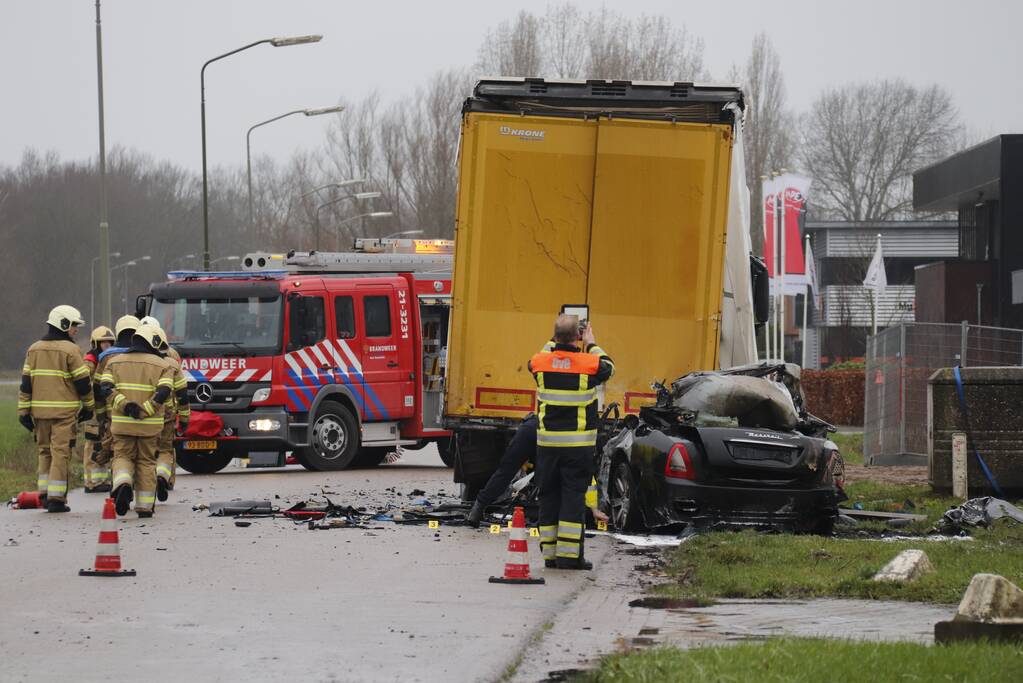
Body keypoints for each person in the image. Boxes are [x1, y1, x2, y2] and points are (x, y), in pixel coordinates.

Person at [528, 314, 614, 570]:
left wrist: (554, 339)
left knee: (549, 497)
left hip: (547, 447)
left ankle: (551, 555)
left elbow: (536, 358)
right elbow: (609, 366)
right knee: (573, 499)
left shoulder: (541, 363)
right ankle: (570, 557)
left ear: (554, 338)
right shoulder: (589, 364)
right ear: (578, 336)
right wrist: (591, 342)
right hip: (577, 448)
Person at [464, 414, 610, 529]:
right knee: (548, 478)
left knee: (505, 472)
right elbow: (585, 478)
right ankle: (544, 519)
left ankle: (477, 509)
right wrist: (594, 509)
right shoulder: (582, 439)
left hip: (530, 428)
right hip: (548, 435)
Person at [17, 305, 95, 513]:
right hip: (64, 415)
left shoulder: (33, 349)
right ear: (63, 324)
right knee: (60, 453)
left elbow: (26, 384)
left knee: (44, 452)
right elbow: (82, 383)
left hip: (39, 414)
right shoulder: (71, 350)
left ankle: (44, 493)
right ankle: (56, 498)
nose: (76, 330)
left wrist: (23, 411)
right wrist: (88, 406)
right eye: (74, 326)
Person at [98, 323, 174, 518]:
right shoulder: (163, 365)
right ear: (153, 342)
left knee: (122, 457)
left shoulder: (114, 362)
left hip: (122, 424)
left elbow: (105, 387)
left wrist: (125, 406)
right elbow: (164, 392)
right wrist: (147, 410)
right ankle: (145, 507)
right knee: (147, 462)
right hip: (149, 427)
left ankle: (122, 484)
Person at [139, 317, 189, 500]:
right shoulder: (172, 356)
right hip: (167, 411)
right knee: (166, 450)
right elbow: (181, 390)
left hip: (146, 409)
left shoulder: (137, 355)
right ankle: (162, 476)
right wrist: (184, 418)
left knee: (145, 450)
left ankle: (147, 481)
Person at [91, 315, 140, 469]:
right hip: (143, 411)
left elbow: (98, 388)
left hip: (115, 413)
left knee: (119, 452)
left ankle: (120, 482)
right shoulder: (147, 355)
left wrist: (101, 415)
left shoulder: (107, 357)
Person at [82, 326, 115, 493]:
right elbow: (86, 383)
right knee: (93, 442)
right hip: (94, 409)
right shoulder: (90, 360)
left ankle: (101, 479)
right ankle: (92, 482)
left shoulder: (109, 359)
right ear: (96, 344)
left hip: (105, 408)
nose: (107, 346)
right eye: (104, 343)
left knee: (104, 443)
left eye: (110, 343)